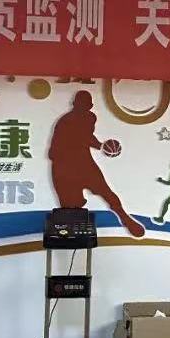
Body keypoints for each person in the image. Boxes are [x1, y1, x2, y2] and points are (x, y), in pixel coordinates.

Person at [48, 90, 145, 238]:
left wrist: (101, 145)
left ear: (90, 106)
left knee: (106, 192)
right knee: (71, 210)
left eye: (85, 106)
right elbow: (79, 137)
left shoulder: (90, 117)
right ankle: (71, 239)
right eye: (81, 105)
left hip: (82, 163)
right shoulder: (66, 121)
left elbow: (85, 136)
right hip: (64, 166)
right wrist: (100, 145)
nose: (83, 108)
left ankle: (125, 218)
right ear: (75, 105)